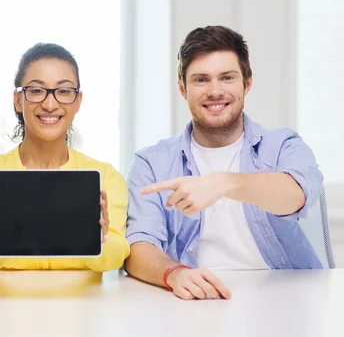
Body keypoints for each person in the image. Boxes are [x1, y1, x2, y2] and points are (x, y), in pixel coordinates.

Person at [125, 25, 324, 300]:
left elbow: (298, 195)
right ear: (183, 89)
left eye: (227, 77)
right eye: (201, 80)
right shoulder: (151, 163)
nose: (215, 91)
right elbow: (138, 245)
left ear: (247, 83)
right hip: (196, 301)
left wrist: (224, 183)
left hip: (287, 297)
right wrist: (175, 273)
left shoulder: (283, 145)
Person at [0, 43, 129, 271]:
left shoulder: (106, 178)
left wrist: (99, 241)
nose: (50, 104)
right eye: (37, 91)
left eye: (64, 91)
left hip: (84, 307)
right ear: (18, 100)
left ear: (78, 101)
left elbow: (117, 255)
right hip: (2, 306)